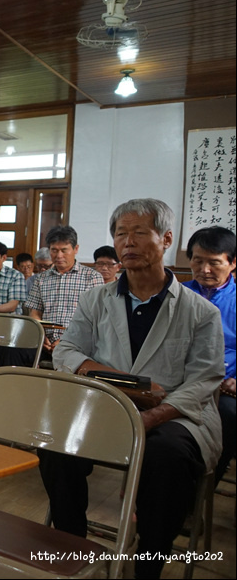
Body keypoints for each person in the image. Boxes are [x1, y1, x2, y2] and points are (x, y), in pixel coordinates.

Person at [43, 199, 223, 580]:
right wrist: (120, 382)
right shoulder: (97, 298)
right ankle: (72, 549)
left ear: (167, 239)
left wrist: (152, 414)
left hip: (177, 413)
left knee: (167, 457)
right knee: (56, 444)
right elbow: (68, 350)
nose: (128, 242)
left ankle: (149, 561)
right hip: (110, 404)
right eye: (120, 234)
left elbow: (206, 379)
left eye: (140, 232)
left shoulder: (200, 311)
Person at [182, 226, 235, 484]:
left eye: (214, 263)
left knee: (229, 415)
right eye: (197, 260)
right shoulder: (175, 295)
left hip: (225, 386)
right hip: (180, 380)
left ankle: (202, 489)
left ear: (233, 263)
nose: (204, 269)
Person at [23, 226, 103, 356]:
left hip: (77, 342)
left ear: (76, 249)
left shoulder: (92, 277)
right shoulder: (41, 278)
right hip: (44, 340)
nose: (58, 256)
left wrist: (66, 340)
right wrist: (41, 336)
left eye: (64, 250)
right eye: (54, 250)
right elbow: (35, 312)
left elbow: (95, 318)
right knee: (13, 352)